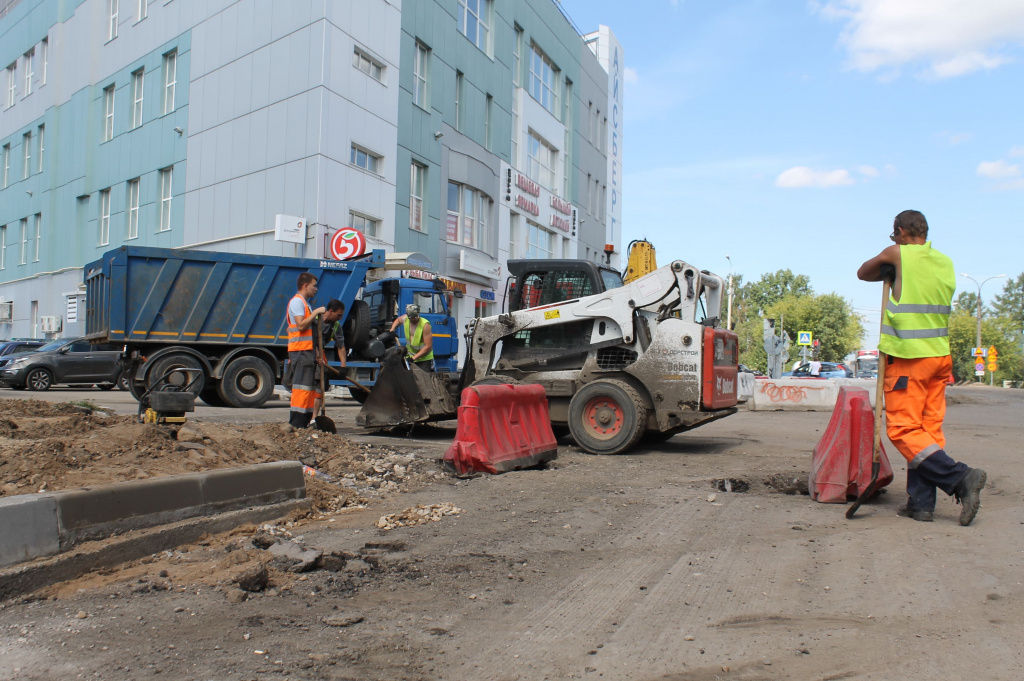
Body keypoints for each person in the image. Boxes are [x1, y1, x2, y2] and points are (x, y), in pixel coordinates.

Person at [857, 209, 987, 525]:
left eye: (895, 235)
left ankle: (960, 478)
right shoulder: (944, 261)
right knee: (925, 433)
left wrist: (889, 262)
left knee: (903, 429)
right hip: (939, 357)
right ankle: (921, 503)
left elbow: (863, 272)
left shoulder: (898, 253)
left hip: (909, 359)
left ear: (900, 231)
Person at [284, 273, 326, 429]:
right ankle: (296, 422)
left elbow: (309, 333)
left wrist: (316, 354)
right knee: (301, 388)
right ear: (305, 285)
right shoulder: (297, 302)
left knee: (308, 388)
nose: (316, 289)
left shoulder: (305, 304)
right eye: (314, 285)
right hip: (300, 351)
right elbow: (301, 326)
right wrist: (315, 313)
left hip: (306, 351)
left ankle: (305, 420)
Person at [313, 299, 348, 416]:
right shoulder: (315, 319)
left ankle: (314, 417)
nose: (340, 318)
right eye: (338, 315)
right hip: (308, 353)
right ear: (331, 311)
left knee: (320, 385)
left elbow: (341, 347)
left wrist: (343, 366)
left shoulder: (336, 326)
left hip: (320, 355)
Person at [389, 304, 434, 371]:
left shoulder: (425, 325)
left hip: (424, 359)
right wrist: (392, 330)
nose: (413, 319)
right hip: (410, 356)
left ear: (418, 315)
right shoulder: (405, 319)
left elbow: (428, 346)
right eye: (411, 318)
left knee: (423, 379)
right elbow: (398, 320)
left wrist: (413, 358)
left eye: (415, 317)